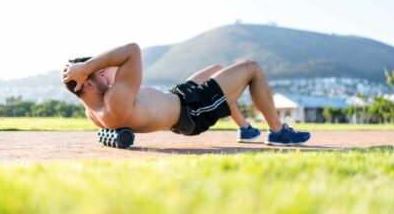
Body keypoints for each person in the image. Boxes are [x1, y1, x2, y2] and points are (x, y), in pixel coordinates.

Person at [62, 43, 310, 145]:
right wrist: (85, 68)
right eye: (99, 74)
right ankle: (277, 132)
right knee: (251, 68)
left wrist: (84, 70)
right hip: (192, 111)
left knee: (216, 70)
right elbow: (132, 50)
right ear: (88, 85)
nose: (105, 75)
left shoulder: (92, 111)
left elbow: (116, 66)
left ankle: (245, 128)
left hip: (179, 97)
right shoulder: (114, 101)